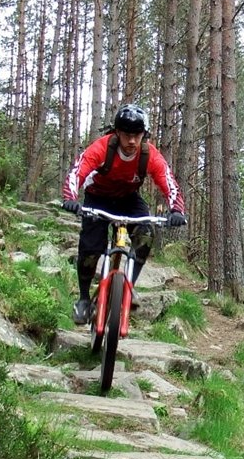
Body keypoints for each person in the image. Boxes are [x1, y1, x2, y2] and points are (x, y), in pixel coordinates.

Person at [61, 103, 187, 325]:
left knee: (145, 234)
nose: (131, 141)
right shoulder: (101, 148)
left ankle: (128, 287)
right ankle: (82, 299)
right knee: (90, 247)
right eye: (127, 135)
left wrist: (177, 209)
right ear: (117, 133)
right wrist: (70, 198)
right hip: (97, 197)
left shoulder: (149, 155)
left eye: (137, 135)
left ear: (143, 135)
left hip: (128, 198)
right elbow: (77, 172)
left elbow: (169, 182)